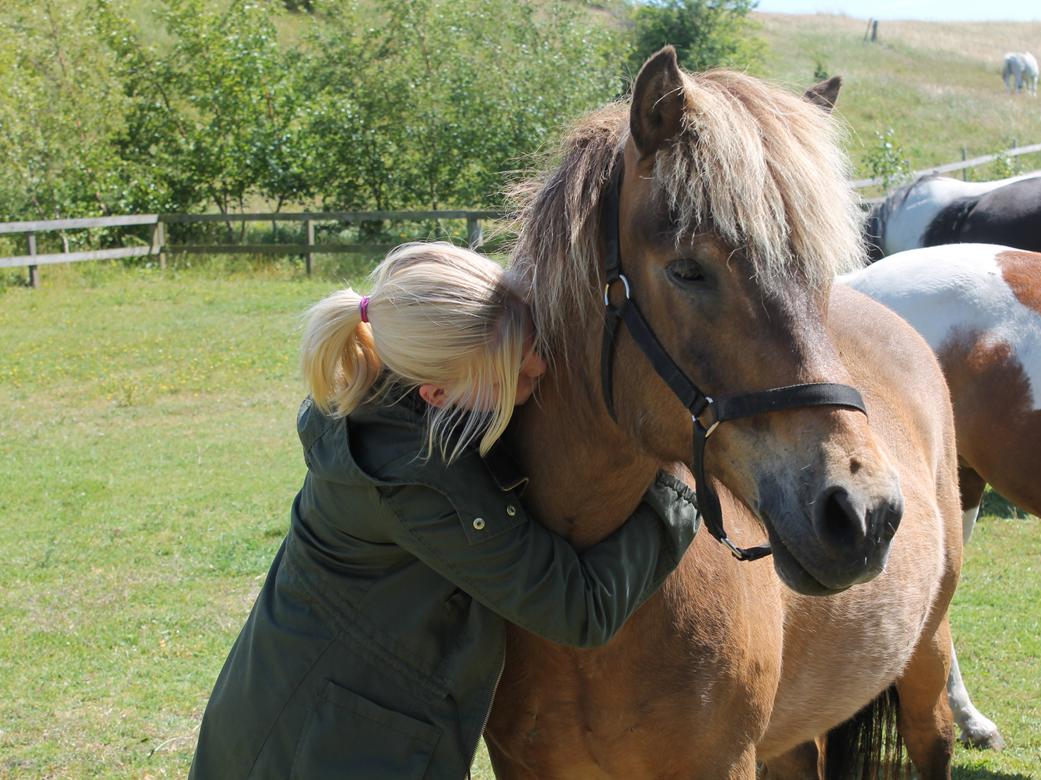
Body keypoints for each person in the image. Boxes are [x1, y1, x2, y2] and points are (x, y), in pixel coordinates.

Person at [188, 242, 701, 779]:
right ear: (438, 393)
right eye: (517, 372)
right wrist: (680, 487)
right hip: (320, 751)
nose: (540, 366)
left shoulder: (395, 393)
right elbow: (578, 607)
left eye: (531, 338)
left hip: (284, 708)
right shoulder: (415, 479)